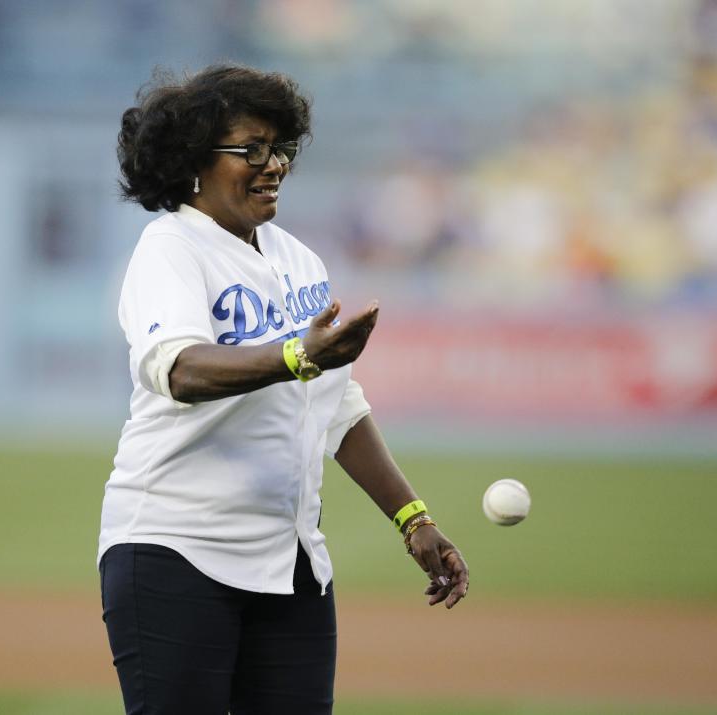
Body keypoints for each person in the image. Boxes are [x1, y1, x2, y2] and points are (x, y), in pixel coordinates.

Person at [98, 64, 469, 715]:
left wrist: (414, 518)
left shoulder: (300, 260)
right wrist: (298, 354)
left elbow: (339, 409)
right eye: (252, 149)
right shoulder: (171, 248)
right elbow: (180, 368)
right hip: (176, 551)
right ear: (196, 158)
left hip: (292, 563)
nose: (273, 165)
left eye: (281, 149)